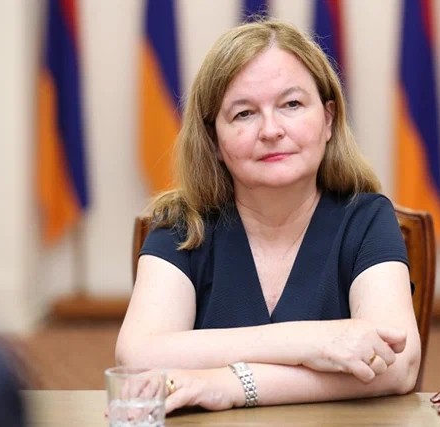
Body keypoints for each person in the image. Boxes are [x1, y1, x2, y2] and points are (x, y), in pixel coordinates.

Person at [115, 17, 420, 413]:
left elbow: (397, 365)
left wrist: (230, 384)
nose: (271, 130)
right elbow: (137, 357)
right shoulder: (182, 224)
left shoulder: (366, 219)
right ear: (214, 139)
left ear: (328, 119)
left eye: (291, 104)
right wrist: (311, 342)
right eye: (244, 113)